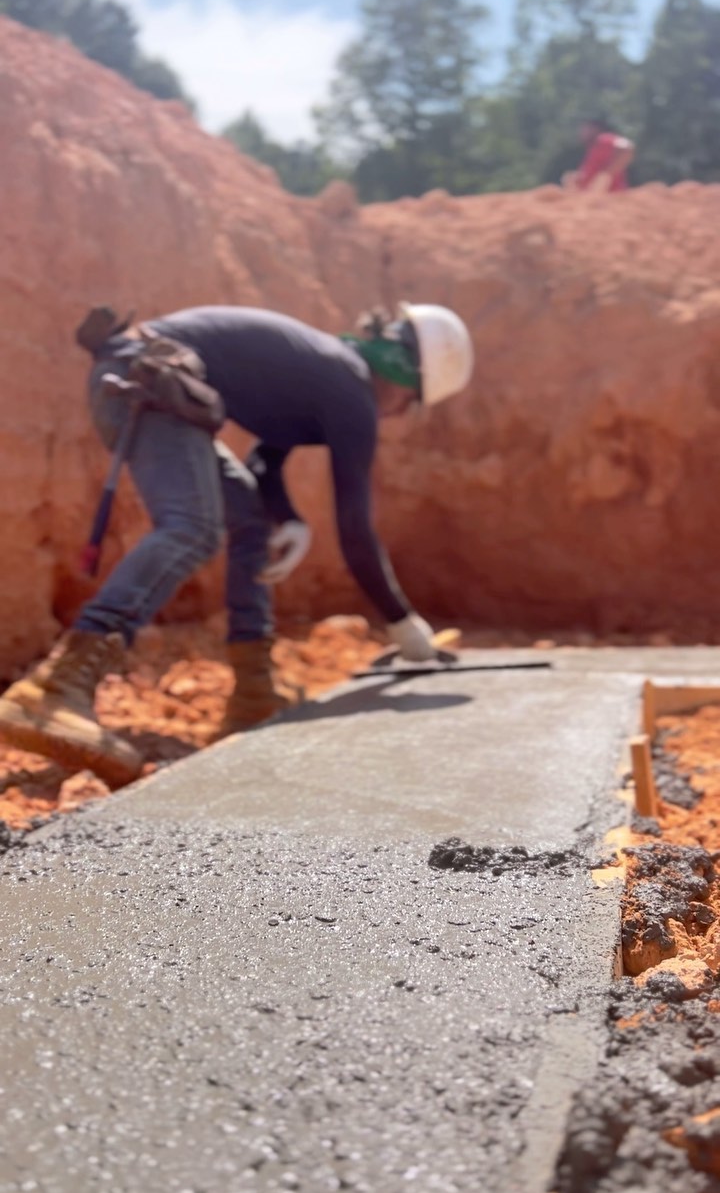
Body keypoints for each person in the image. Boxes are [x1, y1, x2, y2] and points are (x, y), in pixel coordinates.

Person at [0, 302, 474, 787]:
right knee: (193, 527)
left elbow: (265, 461)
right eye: (409, 402)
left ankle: (254, 692)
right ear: (404, 373)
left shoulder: (326, 372)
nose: (395, 414)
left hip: (149, 379)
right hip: (147, 380)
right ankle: (58, 686)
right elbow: (355, 527)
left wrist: (287, 519)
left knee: (248, 517)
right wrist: (402, 624)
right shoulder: (350, 388)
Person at [564, 118, 635, 194]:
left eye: (585, 128)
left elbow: (627, 147)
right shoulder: (592, 149)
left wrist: (606, 175)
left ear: (595, 128)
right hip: (592, 200)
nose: (581, 131)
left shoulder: (604, 140)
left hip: (612, 197)